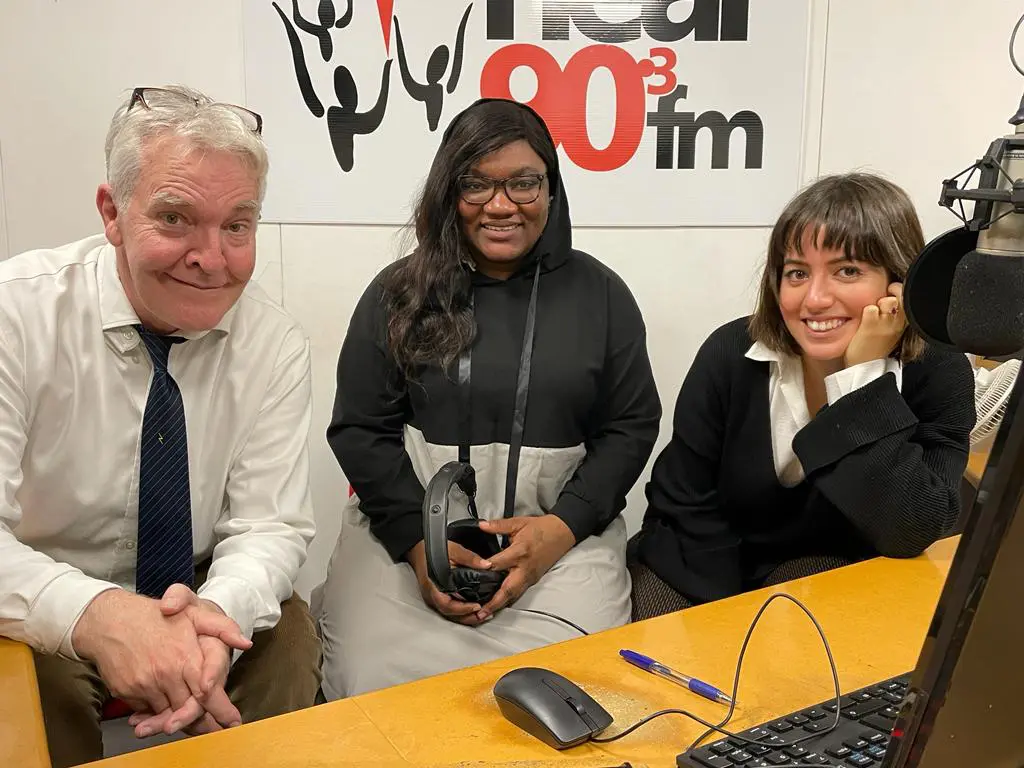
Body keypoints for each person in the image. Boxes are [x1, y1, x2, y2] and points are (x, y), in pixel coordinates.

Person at [0, 85, 321, 767]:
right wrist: (99, 616)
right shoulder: (14, 317)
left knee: (288, 638)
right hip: (45, 582)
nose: (212, 258)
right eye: (175, 219)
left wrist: (212, 621)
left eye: (237, 226)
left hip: (192, 584)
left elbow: (269, 526)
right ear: (112, 213)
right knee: (33, 682)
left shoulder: (274, 344)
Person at [316, 98, 661, 698]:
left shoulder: (603, 296)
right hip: (409, 540)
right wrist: (418, 545)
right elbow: (360, 429)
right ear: (449, 191)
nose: (501, 205)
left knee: (577, 690)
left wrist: (560, 530)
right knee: (367, 684)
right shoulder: (398, 294)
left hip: (562, 541)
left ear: (551, 189)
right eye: (476, 184)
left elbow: (629, 428)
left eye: (523, 183)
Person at [630, 173, 974, 619]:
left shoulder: (939, 370)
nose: (814, 299)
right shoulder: (730, 353)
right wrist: (733, 617)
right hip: (697, 561)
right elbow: (682, 501)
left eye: (847, 271)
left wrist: (861, 383)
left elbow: (911, 528)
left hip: (829, 568)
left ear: (898, 284)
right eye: (797, 273)